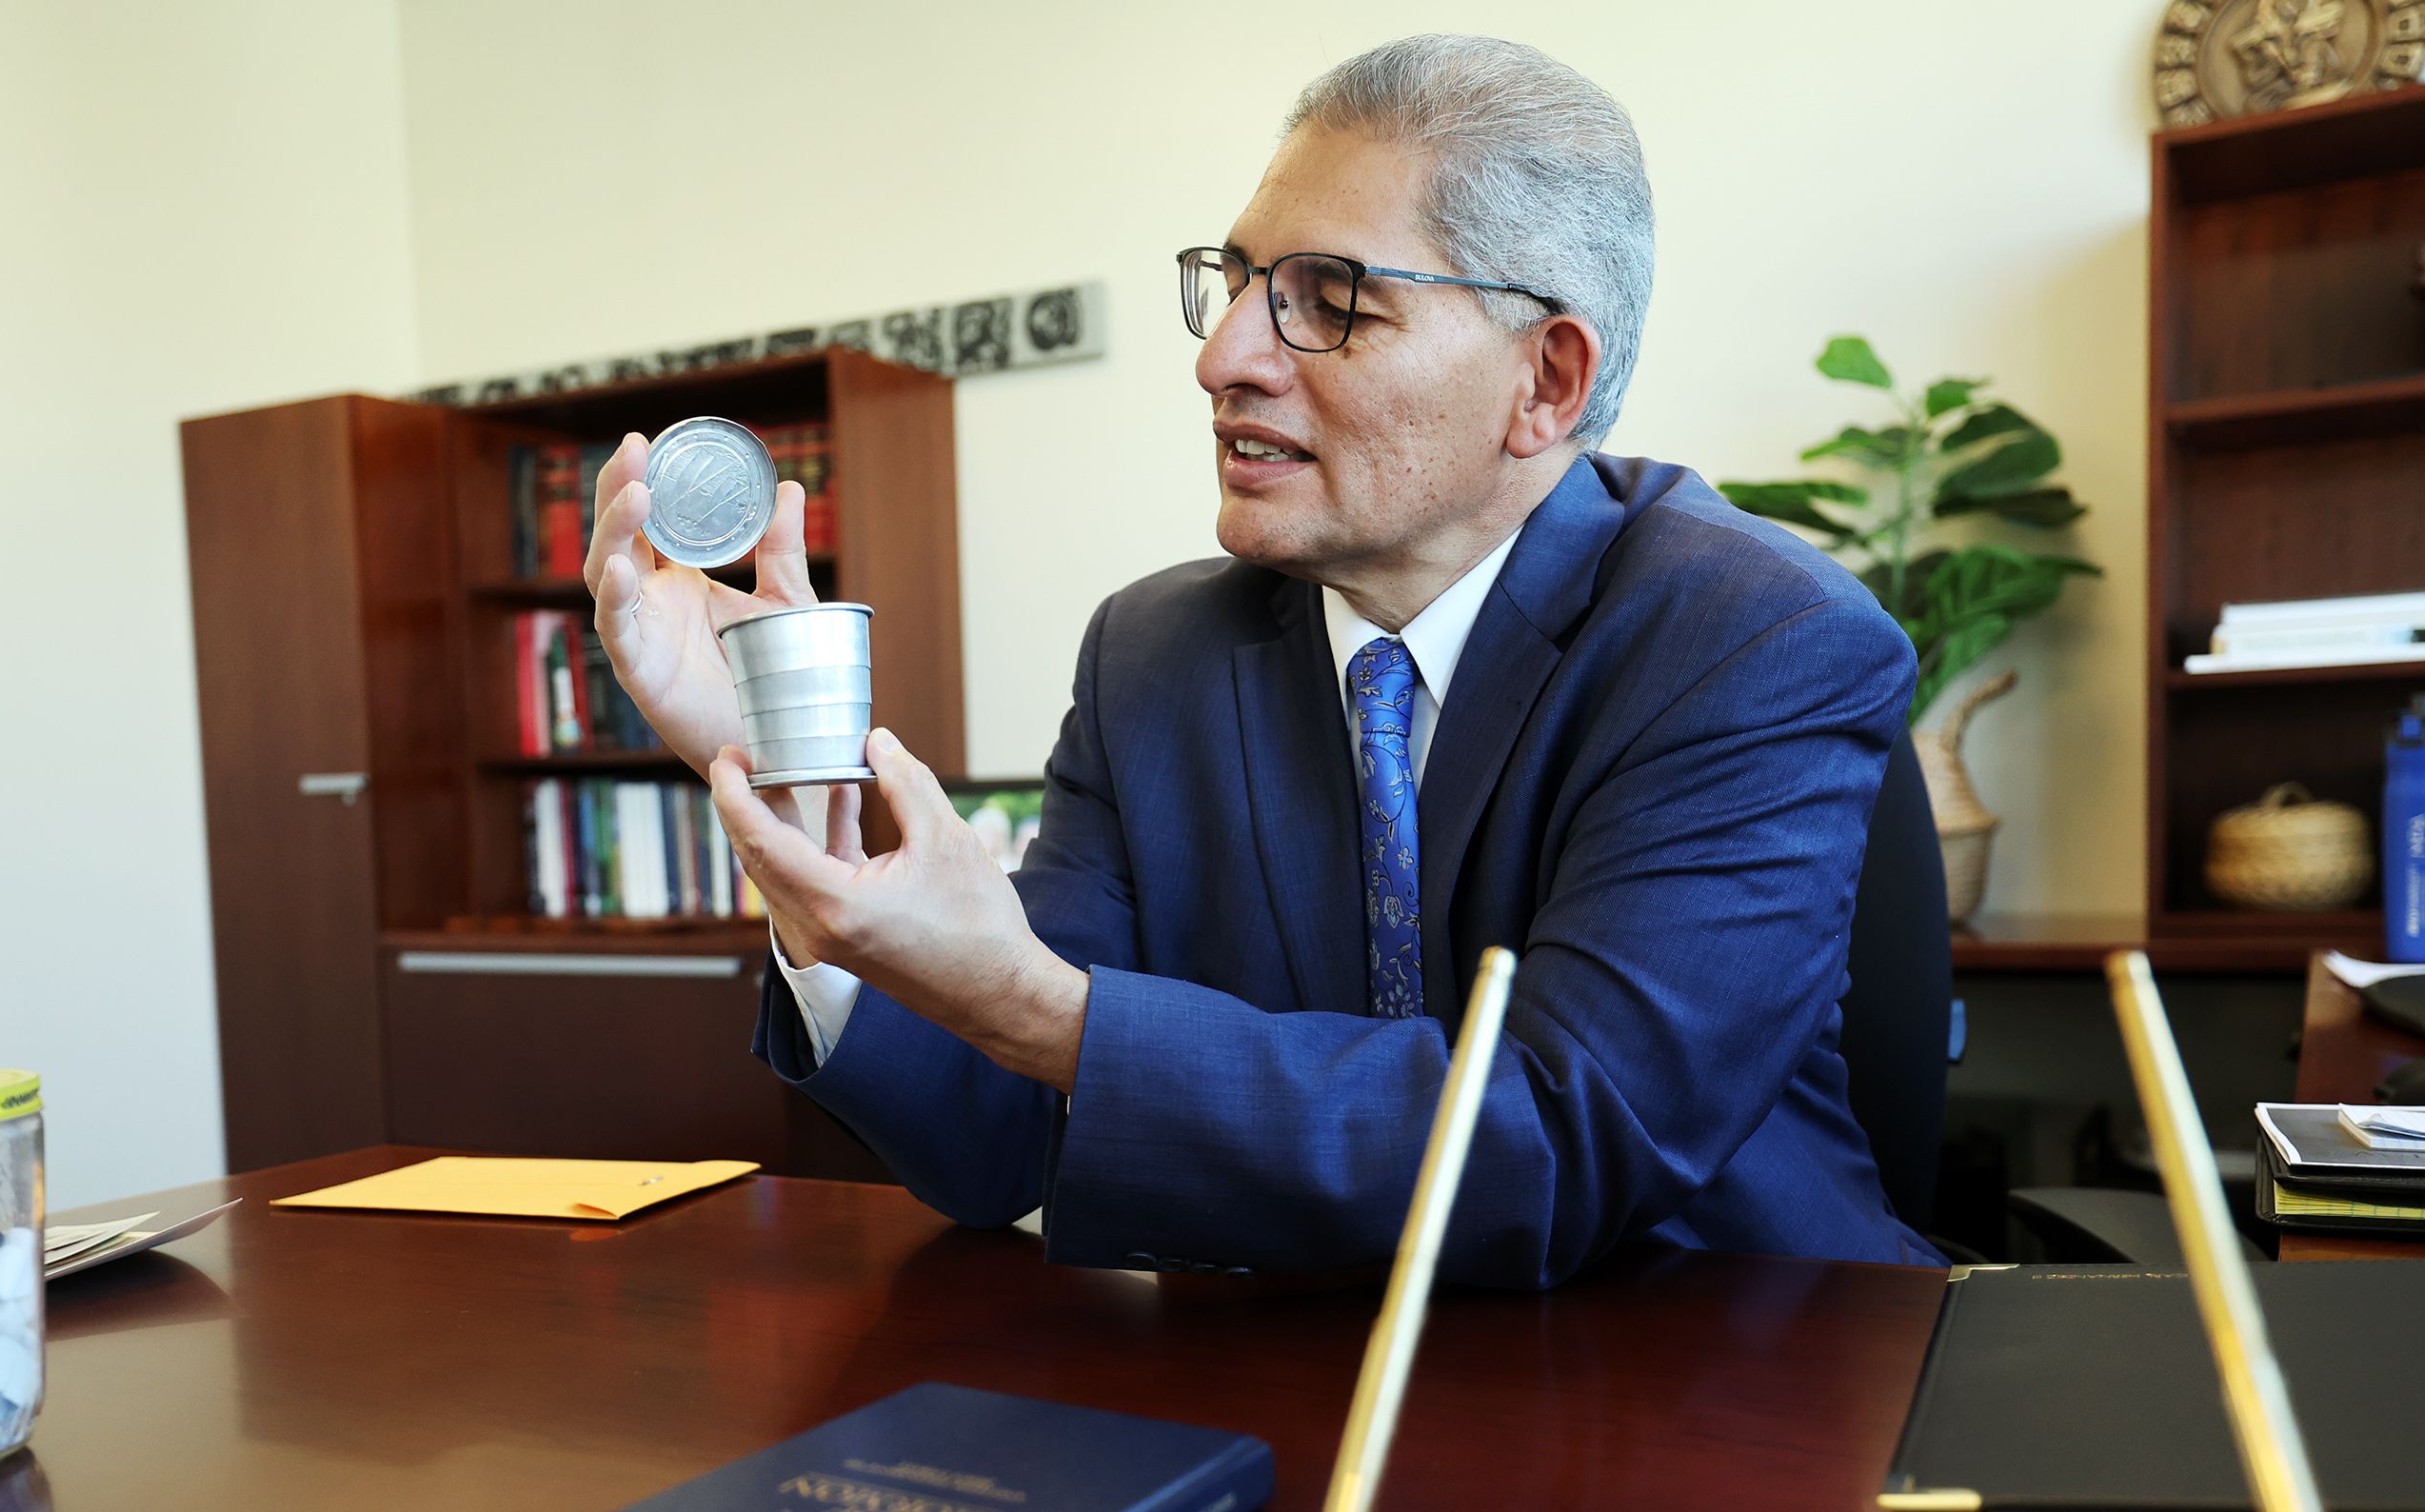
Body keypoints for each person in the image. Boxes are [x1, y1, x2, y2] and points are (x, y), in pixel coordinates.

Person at [586, 34, 1942, 1284]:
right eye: (1236, 286)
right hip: (1293, 1390)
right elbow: (998, 1140)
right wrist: (777, 766)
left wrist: (1043, 1007)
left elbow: (1560, 1140)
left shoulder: (1753, 639)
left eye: (1329, 302)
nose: (1225, 357)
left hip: (1731, 1386)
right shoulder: (1156, 653)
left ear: (1547, 382)